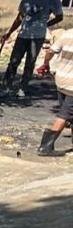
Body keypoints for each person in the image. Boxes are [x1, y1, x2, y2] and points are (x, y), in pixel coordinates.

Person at [3, 0, 64, 96]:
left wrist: (45, 24)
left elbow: (59, 17)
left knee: (30, 62)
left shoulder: (53, 1)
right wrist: (9, 32)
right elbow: (20, 17)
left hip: (37, 37)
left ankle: (23, 88)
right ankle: (6, 87)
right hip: (23, 35)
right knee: (14, 61)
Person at [36, 27, 73, 155]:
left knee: (70, 114)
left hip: (61, 80)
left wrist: (46, 64)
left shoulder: (67, 34)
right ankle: (45, 147)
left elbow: (50, 51)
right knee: (64, 115)